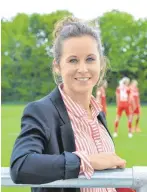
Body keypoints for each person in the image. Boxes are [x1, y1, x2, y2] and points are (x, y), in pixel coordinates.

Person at [10, 16, 127, 192]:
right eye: (73, 60)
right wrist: (86, 161)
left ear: (101, 64)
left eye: (90, 59)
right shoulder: (42, 112)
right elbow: (21, 165)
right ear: (57, 66)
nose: (82, 69)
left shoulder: (97, 113)